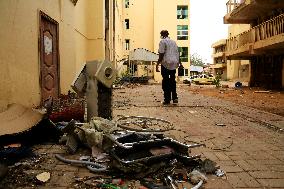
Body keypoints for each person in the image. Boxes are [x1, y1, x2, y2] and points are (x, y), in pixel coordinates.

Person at [156, 30, 180, 105]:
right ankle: (175, 98)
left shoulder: (162, 41)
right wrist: (180, 63)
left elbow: (161, 54)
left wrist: (157, 64)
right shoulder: (174, 42)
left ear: (162, 35)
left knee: (166, 82)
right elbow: (177, 53)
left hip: (166, 63)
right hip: (174, 63)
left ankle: (167, 99)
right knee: (172, 81)